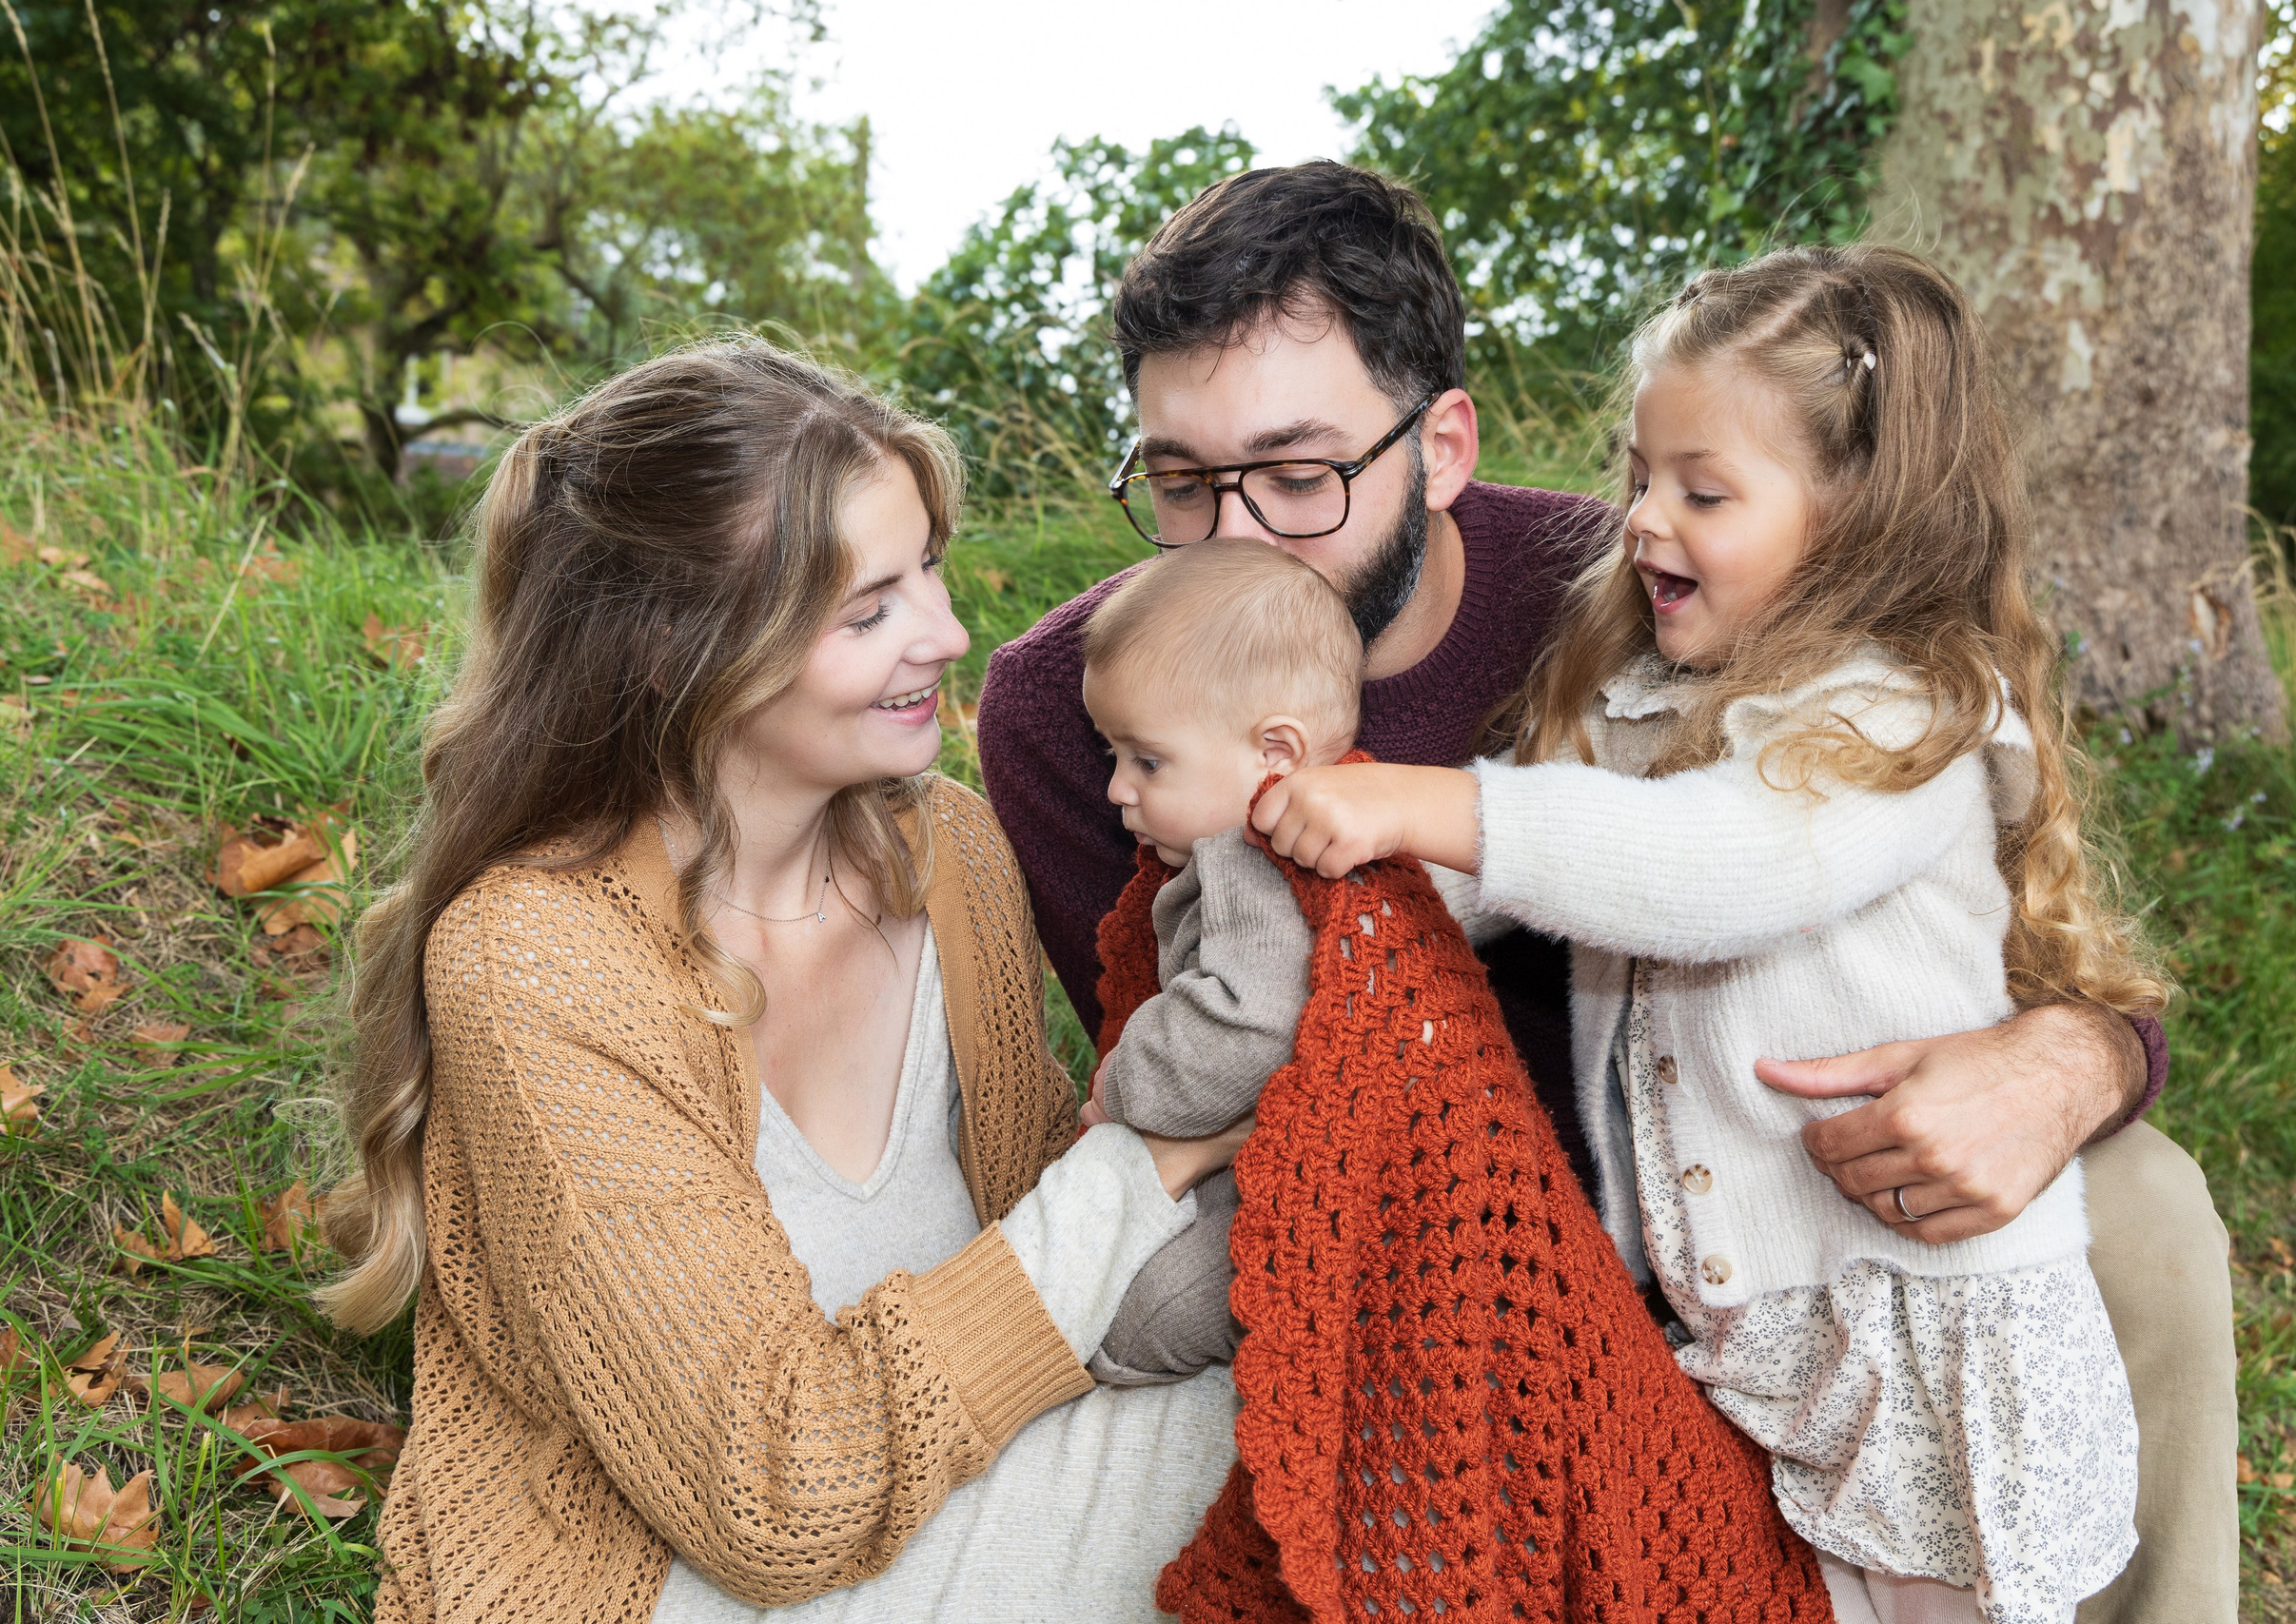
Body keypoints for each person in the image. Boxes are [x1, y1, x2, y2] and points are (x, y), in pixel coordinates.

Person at [974, 162, 2238, 1622]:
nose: (1236, 537)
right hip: (1474, 1226)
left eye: (1299, 471)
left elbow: (1791, 865)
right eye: (1182, 481)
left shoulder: (1636, 586)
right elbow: (1222, 1064)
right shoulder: (1081, 702)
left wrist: (2078, 1057)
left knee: (2144, 1207)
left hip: (1787, 1189)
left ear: (1440, 443)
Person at [1249, 244, 2148, 1622]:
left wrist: (1418, 802)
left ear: (1856, 513)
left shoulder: (1898, 718)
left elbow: (1716, 865)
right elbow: (1514, 889)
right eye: (1639, 475)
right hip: (1751, 1335)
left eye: (1704, 490)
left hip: (1915, 1328)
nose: (1647, 522)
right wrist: (1331, 895)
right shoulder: (1646, 700)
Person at [318, 339, 1249, 1623]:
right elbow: (776, 1492)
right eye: (868, 609)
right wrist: (1152, 1156)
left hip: (945, 1487)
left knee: (1341, 1354)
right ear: (675, 651)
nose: (947, 629)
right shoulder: (536, 952)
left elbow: (1031, 1215)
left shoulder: (952, 850)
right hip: (681, 1572)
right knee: (1297, 1428)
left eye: (926, 563)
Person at [1071, 540, 1369, 1385]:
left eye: (1147, 760)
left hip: (1318, 1197)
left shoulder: (1255, 860)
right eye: (1113, 758)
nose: (1117, 790)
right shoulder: (1289, 836)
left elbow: (1245, 1022)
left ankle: (1117, 1383)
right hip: (1276, 1157)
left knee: (1137, 1315)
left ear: (1275, 754)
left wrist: (1123, 1088)